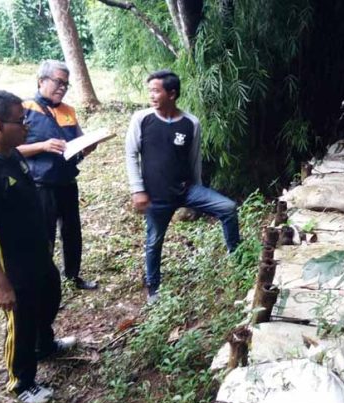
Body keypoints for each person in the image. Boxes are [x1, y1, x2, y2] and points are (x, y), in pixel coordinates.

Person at [0, 91, 76, 403]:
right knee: (20, 323)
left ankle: (45, 346)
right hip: (11, 266)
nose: (26, 126)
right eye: (20, 121)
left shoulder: (12, 153)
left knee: (50, 297)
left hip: (36, 252)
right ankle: (21, 382)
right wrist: (0, 284)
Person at [125, 69, 240, 302]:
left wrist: (197, 194)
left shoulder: (191, 123)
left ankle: (236, 256)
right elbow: (130, 154)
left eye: (156, 91)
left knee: (227, 208)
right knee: (154, 241)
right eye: (150, 91)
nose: (152, 95)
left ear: (172, 94)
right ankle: (153, 287)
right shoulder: (142, 119)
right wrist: (138, 190)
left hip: (187, 190)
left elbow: (194, 159)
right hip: (155, 196)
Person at [17, 60, 97, 290]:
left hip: (67, 182)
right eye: (58, 82)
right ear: (41, 81)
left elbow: (79, 141)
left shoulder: (68, 110)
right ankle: (43, 284)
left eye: (66, 84)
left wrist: (88, 146)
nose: (62, 88)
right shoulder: (24, 108)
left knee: (72, 232)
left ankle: (73, 275)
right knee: (44, 236)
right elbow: (11, 150)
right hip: (41, 185)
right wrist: (42, 146)